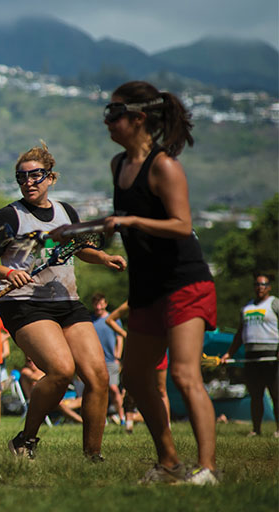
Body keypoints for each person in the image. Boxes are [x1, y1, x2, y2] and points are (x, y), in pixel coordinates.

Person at [92, 81, 220, 484]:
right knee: (133, 375)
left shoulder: (164, 166)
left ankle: (208, 470)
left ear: (138, 118)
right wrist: (93, 231)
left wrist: (128, 221)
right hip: (146, 286)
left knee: (184, 375)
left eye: (114, 114)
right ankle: (169, 462)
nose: (107, 121)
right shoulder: (118, 165)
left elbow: (182, 225)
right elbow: (126, 223)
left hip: (184, 282)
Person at [0, 143, 125, 461]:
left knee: (98, 375)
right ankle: (25, 439)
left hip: (66, 301)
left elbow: (78, 248)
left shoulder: (66, 212)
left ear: (51, 177)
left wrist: (105, 257)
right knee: (61, 370)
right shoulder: (9, 216)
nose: (28, 182)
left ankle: (92, 456)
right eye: (21, 177)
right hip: (24, 303)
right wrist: (6, 272)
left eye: (35, 175)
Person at [222, 274, 278, 437]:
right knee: (255, 394)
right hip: (251, 356)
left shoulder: (274, 304)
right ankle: (256, 429)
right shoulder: (247, 307)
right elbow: (240, 333)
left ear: (269, 287)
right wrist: (229, 353)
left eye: (263, 284)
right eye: (257, 284)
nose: (260, 287)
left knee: (276, 394)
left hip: (272, 355)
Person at [106, 301, 170, 424]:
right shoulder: (134, 301)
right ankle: (128, 423)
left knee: (161, 389)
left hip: (158, 349)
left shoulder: (161, 300)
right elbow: (110, 320)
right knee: (132, 387)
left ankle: (167, 426)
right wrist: (126, 335)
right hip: (138, 350)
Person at [91, 292, 127, 428]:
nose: (98, 306)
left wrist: (117, 357)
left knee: (114, 388)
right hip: (96, 361)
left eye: (101, 303)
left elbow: (120, 338)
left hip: (111, 360)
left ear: (105, 304)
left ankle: (121, 416)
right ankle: (101, 418)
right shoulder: (90, 320)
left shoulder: (113, 319)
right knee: (98, 390)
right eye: (96, 303)